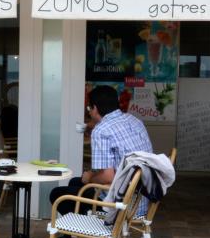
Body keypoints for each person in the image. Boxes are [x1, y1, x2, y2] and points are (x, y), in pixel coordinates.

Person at [49, 85, 153, 216]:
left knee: (57, 194)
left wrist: (90, 177)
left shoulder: (101, 130)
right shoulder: (134, 120)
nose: (89, 112)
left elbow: (108, 177)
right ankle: (75, 231)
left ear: (95, 108)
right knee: (75, 182)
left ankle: (90, 232)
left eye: (89, 108)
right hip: (139, 200)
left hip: (117, 206)